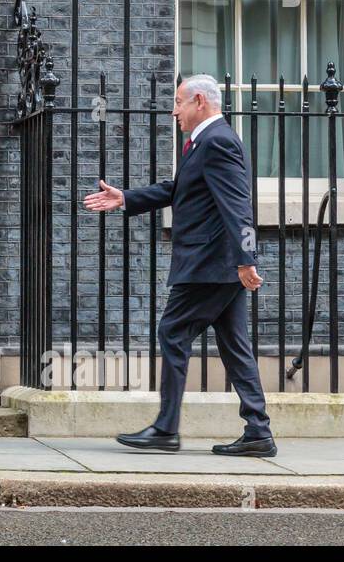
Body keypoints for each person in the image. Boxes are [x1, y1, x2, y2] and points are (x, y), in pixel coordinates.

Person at [83, 74, 276, 457]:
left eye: (178, 102)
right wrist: (127, 198)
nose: (174, 111)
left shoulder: (217, 141)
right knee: (235, 346)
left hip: (210, 266)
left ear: (199, 101)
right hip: (219, 266)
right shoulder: (203, 141)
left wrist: (246, 258)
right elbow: (179, 189)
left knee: (172, 333)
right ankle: (258, 431)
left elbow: (239, 206)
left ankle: (166, 429)